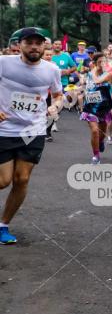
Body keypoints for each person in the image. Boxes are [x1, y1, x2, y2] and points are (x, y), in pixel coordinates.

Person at [0, 27, 63, 245]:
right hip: (4, 129)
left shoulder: (52, 69)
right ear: (20, 44)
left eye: (39, 42)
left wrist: (55, 106)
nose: (34, 47)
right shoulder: (4, 63)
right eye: (29, 42)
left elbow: (57, 94)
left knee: (22, 178)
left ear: (45, 45)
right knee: (3, 180)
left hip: (32, 131)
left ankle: (3, 225)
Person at [80, 52, 112, 164]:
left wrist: (93, 70)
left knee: (102, 132)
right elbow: (87, 86)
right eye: (100, 62)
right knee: (95, 131)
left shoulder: (108, 74)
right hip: (91, 107)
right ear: (95, 63)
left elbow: (97, 81)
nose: (102, 64)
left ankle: (100, 142)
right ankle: (96, 156)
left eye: (104, 61)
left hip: (104, 108)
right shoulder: (89, 74)